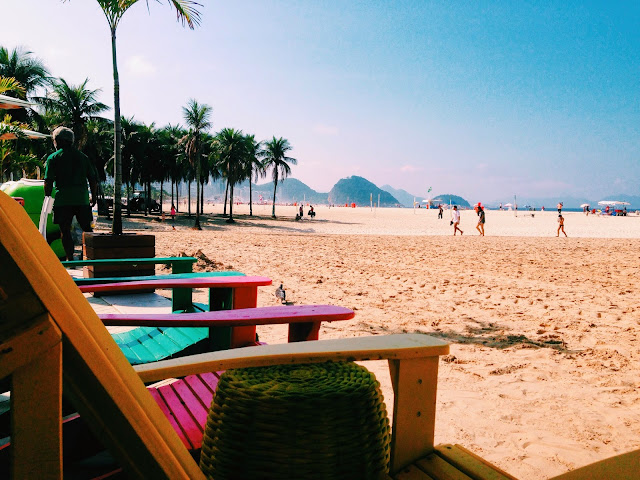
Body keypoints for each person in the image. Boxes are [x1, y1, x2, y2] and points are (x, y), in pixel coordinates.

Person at [44, 126, 97, 261]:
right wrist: (94, 196)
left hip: (63, 200)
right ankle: (89, 257)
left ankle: (70, 259)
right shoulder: (83, 157)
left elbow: (48, 181)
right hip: (82, 199)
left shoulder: (53, 158)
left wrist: (47, 197)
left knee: (65, 231)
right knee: (87, 230)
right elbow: (92, 179)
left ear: (58, 141)